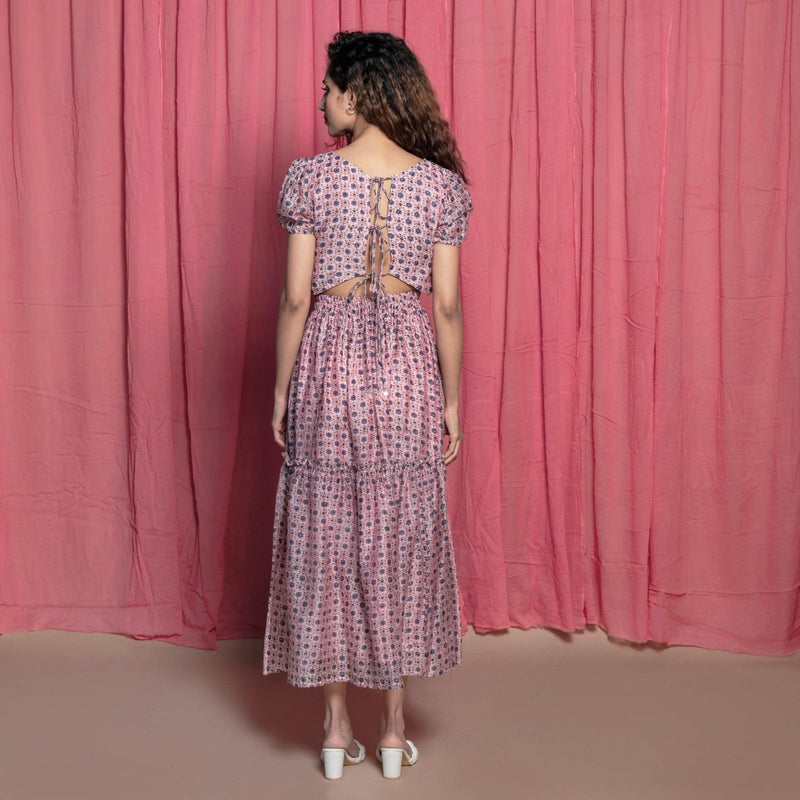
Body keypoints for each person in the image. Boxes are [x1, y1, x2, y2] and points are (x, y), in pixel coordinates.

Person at [262, 30, 472, 780]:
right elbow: (445, 308)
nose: (321, 99)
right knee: (398, 537)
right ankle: (391, 734)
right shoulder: (442, 186)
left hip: (332, 358)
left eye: (328, 87)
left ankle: (332, 731)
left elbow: (295, 296)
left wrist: (283, 389)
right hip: (410, 366)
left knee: (328, 533)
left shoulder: (310, 179)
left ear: (357, 92)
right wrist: (451, 401)